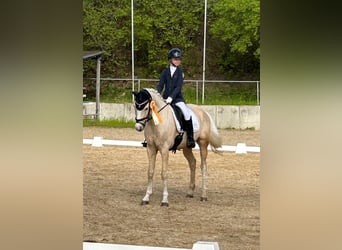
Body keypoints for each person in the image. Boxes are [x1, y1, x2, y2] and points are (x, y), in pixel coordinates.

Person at [157, 48, 195, 148]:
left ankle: (190, 138)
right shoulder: (165, 72)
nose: (177, 61)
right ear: (170, 60)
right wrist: (157, 95)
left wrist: (171, 97)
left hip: (177, 99)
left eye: (178, 59)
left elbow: (178, 87)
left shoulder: (180, 72)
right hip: (164, 98)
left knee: (186, 114)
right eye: (175, 59)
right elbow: (161, 85)